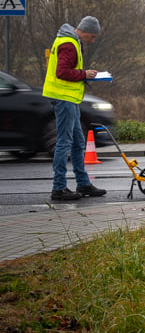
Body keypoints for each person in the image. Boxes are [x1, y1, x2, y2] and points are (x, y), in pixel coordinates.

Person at [43, 16, 108, 200]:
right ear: (85, 31)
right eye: (92, 36)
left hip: (69, 99)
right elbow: (62, 72)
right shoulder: (69, 44)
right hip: (63, 99)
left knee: (79, 143)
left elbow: (67, 70)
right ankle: (59, 188)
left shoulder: (70, 40)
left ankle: (83, 184)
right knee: (63, 142)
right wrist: (84, 74)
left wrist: (85, 76)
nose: (93, 40)